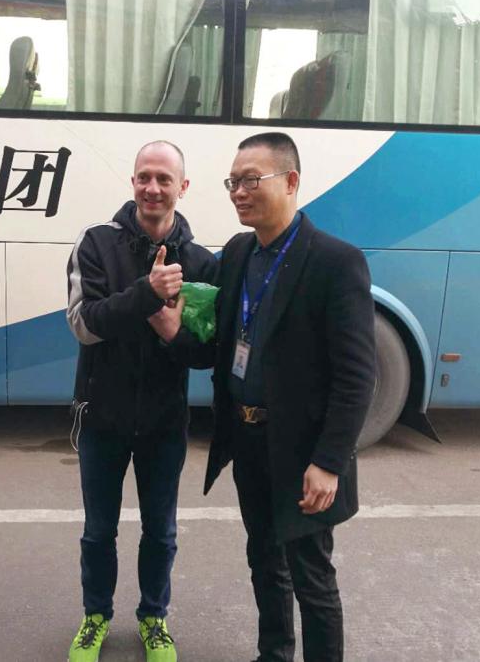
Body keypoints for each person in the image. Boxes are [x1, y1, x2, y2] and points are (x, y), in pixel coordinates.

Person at [149, 132, 376, 662]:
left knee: (311, 576)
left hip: (302, 450)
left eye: (251, 180)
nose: (238, 192)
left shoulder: (335, 262)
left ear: (291, 181)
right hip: (249, 441)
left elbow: (356, 376)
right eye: (233, 182)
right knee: (264, 562)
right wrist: (173, 334)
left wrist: (329, 461)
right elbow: (220, 349)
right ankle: (273, 654)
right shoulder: (238, 253)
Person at [65, 140, 217, 662]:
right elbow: (85, 325)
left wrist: (173, 331)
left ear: (182, 187)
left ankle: (154, 617)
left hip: (164, 424)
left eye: (164, 179)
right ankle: (96, 617)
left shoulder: (200, 262)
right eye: (144, 177)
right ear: (132, 182)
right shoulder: (96, 243)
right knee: (97, 532)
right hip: (102, 419)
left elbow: (207, 352)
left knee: (161, 532)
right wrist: (147, 294)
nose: (152, 188)